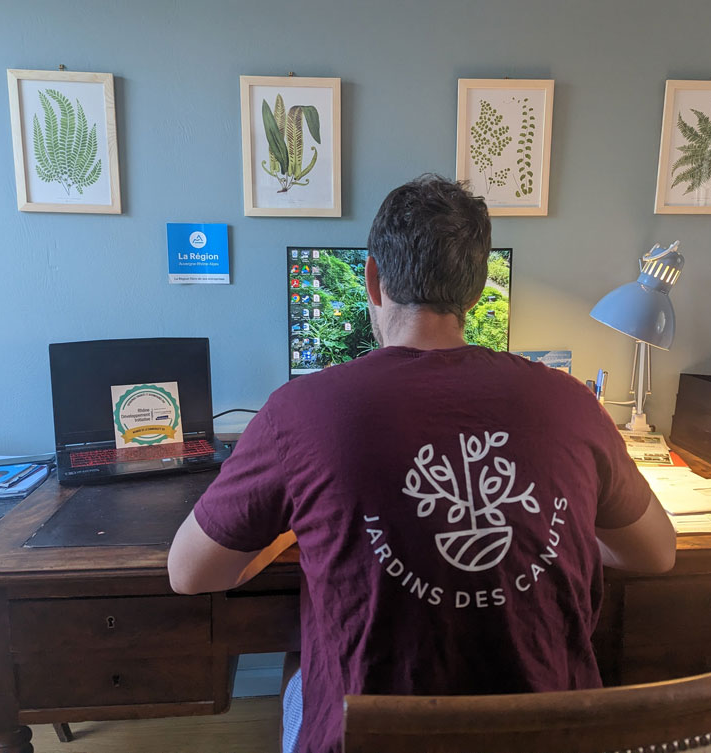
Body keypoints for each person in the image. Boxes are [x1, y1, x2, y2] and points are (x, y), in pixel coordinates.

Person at [167, 175, 675, 753]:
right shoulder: (572, 403)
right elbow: (656, 552)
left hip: (365, 742)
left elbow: (190, 573)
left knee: (297, 667)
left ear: (372, 279)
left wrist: (296, 526)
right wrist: (556, 529)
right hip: (550, 739)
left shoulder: (299, 411)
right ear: (476, 291)